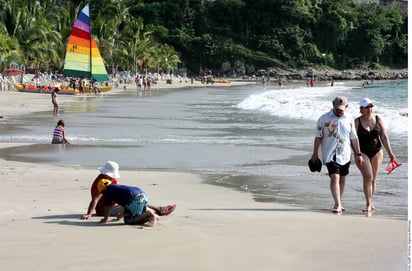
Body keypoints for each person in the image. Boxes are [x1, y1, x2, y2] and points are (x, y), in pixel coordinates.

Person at [311, 96, 364, 213]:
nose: (338, 111)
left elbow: (354, 138)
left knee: (342, 179)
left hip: (345, 154)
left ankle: (338, 201)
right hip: (330, 153)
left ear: (346, 107)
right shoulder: (323, 119)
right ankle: (338, 204)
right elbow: (318, 136)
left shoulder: (349, 119)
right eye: (336, 109)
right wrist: (315, 153)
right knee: (335, 177)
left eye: (341, 109)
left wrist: (358, 154)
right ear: (332, 105)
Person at [81, 161, 176, 221]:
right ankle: (156, 212)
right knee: (134, 204)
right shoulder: (100, 183)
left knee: (135, 201)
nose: (112, 177)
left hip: (115, 204)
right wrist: (89, 214)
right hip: (105, 209)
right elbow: (95, 200)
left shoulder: (111, 180)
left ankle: (157, 210)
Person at [354, 98, 396, 212]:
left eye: (371, 106)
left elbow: (384, 136)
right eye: (367, 107)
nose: (369, 109)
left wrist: (390, 153)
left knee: (373, 179)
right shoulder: (357, 121)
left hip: (377, 151)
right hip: (362, 152)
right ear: (361, 109)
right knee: (368, 175)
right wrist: (357, 153)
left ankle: (371, 202)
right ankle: (368, 204)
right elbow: (353, 139)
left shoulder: (378, 119)